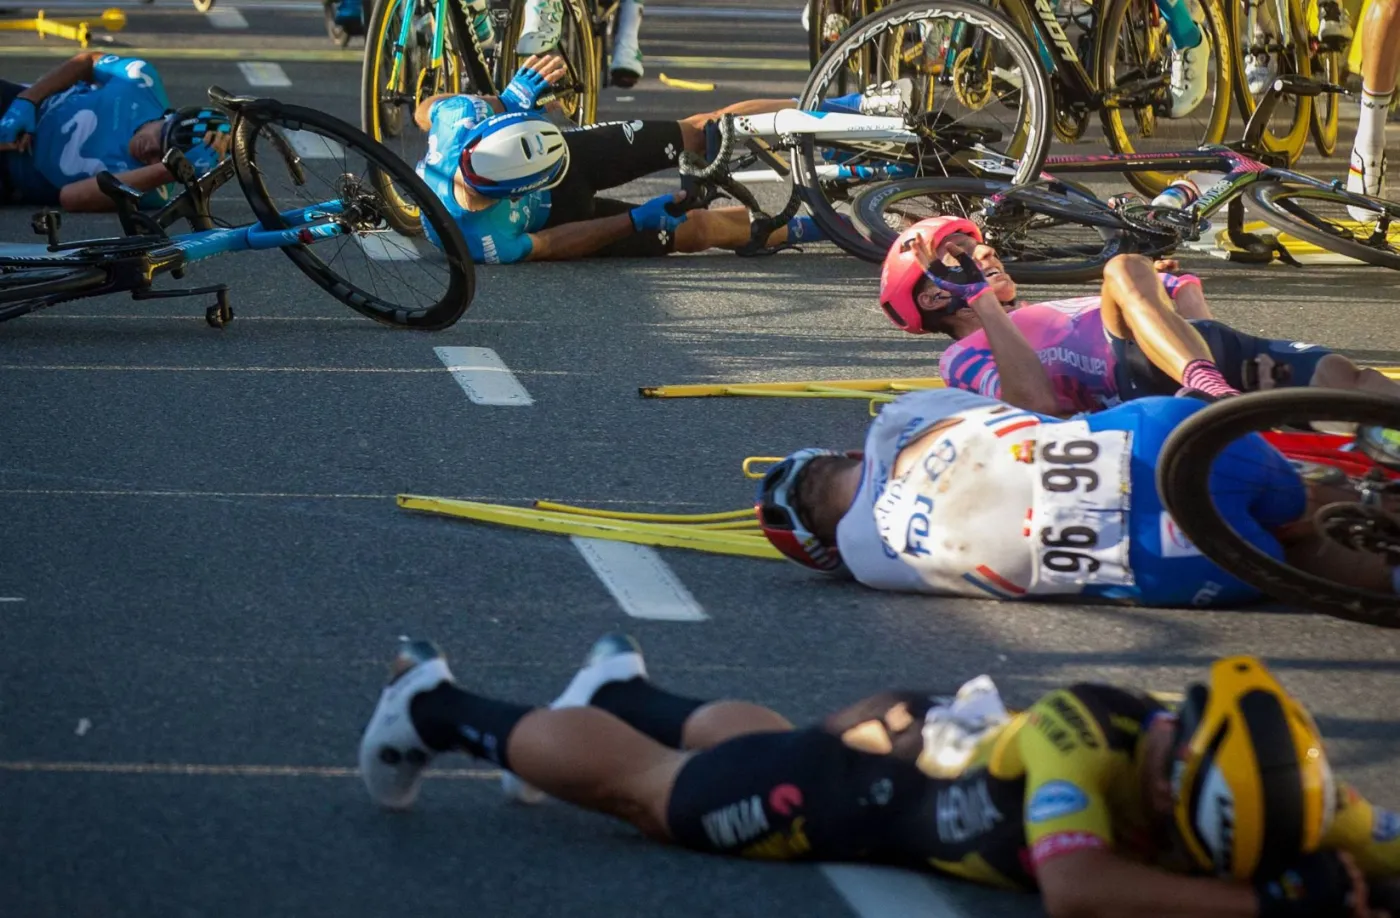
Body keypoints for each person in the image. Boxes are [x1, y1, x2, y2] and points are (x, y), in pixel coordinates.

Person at [360, 634, 1400, 916]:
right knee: (655, 795)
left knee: (742, 748)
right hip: (856, 788)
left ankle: (623, 689)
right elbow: (1080, 894)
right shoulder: (1082, 738)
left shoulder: (1291, 787)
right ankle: (436, 706)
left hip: (888, 738)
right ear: (1176, 780)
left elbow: (1375, 846)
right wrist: (1260, 907)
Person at [751, 383, 1400, 606]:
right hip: (1154, 438)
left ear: (828, 548)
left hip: (1157, 561)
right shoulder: (899, 418)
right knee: (1311, 499)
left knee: (1305, 561)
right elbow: (1032, 407)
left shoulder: (867, 565)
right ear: (842, 456)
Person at [877, 216, 1400, 419]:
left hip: (1201, 365)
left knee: (1353, 381)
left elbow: (1195, 333)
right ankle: (1217, 396)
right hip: (1128, 386)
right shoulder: (960, 357)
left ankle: (1221, 399)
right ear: (931, 297)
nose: (985, 254)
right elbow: (1036, 404)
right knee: (1124, 267)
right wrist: (982, 304)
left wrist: (1182, 292)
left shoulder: (1043, 309)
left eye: (982, 245)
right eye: (961, 255)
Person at [413, 54, 833, 264]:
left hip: (570, 155)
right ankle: (837, 229)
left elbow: (423, 110)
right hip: (561, 218)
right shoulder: (479, 242)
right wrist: (634, 221)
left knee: (704, 130)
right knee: (698, 230)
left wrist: (502, 101)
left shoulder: (458, 120)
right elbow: (553, 243)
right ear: (512, 194)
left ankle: (839, 115)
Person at [0, 53, 230, 212]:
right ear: (168, 116)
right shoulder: (140, 81)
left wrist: (169, 170)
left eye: (158, 159)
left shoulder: (154, 190)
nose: (149, 151)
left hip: (9, 174)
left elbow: (70, 198)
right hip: (17, 107)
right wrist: (27, 101)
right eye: (160, 139)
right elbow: (88, 61)